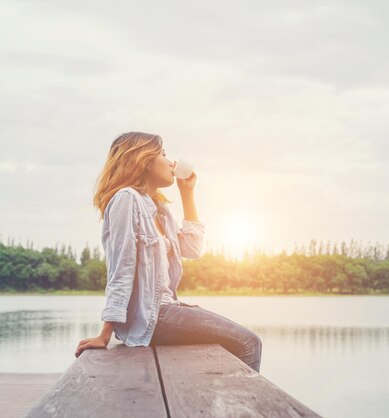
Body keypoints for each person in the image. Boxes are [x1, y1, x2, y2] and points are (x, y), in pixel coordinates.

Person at [74, 132, 262, 373]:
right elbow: (122, 267)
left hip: (166, 311)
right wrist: (105, 334)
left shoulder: (159, 210)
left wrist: (187, 192)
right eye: (163, 153)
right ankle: (244, 409)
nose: (171, 161)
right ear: (143, 160)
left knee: (239, 344)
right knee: (248, 342)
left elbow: (193, 249)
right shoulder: (126, 199)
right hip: (155, 316)